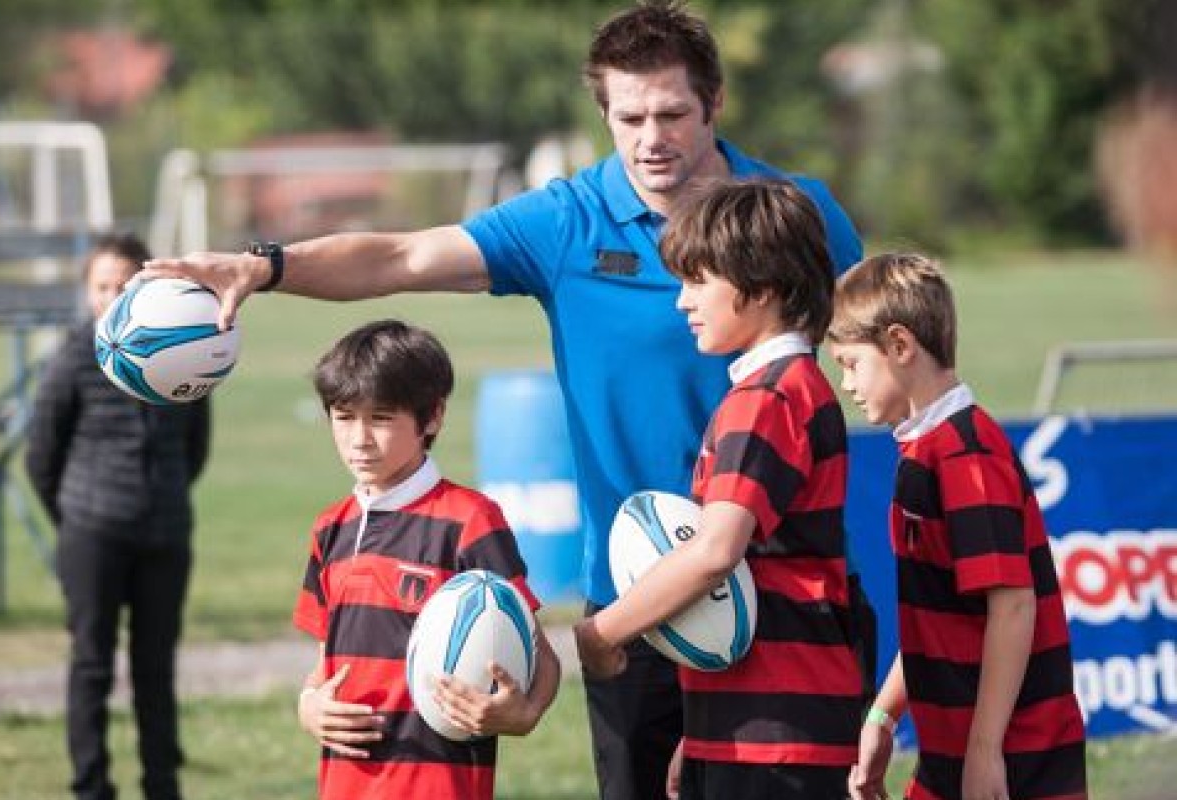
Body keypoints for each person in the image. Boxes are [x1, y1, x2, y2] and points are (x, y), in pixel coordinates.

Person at [144, 3, 870, 797]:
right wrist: (266, 265)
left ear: (715, 103)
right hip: (634, 598)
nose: (651, 138)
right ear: (604, 113)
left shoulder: (793, 215)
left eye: (672, 113)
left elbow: (869, 341)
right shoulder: (567, 221)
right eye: (629, 117)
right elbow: (404, 253)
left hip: (785, 596)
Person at [575, 178, 864, 800]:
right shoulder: (792, 385)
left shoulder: (764, 400)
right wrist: (703, 732)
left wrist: (600, 633)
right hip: (755, 718)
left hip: (776, 727)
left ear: (762, 286)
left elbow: (714, 554)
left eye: (698, 280)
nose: (682, 302)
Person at [827, 254, 1087, 800]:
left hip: (1017, 761)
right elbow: (937, 618)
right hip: (950, 755)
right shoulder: (922, 450)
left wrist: (986, 749)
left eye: (850, 363)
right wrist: (883, 714)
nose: (844, 382)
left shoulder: (967, 457)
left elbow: (1013, 605)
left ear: (900, 346)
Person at [292, 319, 561, 800]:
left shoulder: (470, 520)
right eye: (344, 416)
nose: (360, 439)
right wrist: (309, 705)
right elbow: (323, 664)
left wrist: (525, 712)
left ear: (432, 417)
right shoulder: (330, 528)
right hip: (344, 786)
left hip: (440, 784)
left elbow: (541, 655)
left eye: (381, 418)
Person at [25, 232, 210, 800]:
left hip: (165, 534)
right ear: (87, 293)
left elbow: (195, 448)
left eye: (124, 285)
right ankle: (91, 785)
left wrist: (164, 497)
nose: (112, 296)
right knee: (92, 666)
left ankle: (163, 784)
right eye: (101, 286)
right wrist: (79, 517)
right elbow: (42, 455)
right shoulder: (73, 356)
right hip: (91, 531)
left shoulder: (184, 349)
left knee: (156, 669)